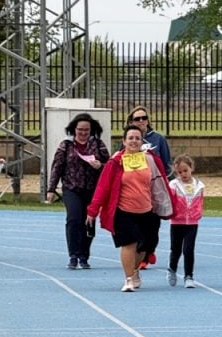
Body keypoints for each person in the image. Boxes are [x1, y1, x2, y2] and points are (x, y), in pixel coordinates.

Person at [87, 124, 172, 292]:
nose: (134, 141)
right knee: (129, 243)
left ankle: (134, 271)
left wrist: (166, 205)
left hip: (147, 210)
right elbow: (103, 187)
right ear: (124, 141)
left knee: (146, 246)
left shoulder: (150, 159)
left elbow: (160, 182)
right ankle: (128, 279)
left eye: (137, 138)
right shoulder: (116, 161)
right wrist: (93, 210)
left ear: (142, 142)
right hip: (123, 210)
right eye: (130, 138)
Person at [45, 112, 109, 269]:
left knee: (89, 221)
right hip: (71, 188)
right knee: (74, 219)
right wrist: (51, 189)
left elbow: (110, 166)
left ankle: (84, 255)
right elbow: (57, 167)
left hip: (93, 190)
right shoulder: (66, 145)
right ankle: (73, 254)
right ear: (74, 129)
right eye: (80, 129)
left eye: (86, 130)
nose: (83, 133)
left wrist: (100, 165)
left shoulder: (98, 145)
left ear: (91, 130)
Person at [126, 108, 170, 270]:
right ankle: (140, 253)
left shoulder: (158, 139)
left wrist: (167, 185)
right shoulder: (129, 139)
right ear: (131, 122)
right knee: (136, 226)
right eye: (137, 119)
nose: (141, 121)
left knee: (153, 225)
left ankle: (149, 249)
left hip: (153, 188)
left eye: (144, 118)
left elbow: (166, 164)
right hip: (135, 190)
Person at [166, 154, 204, 288]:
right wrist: (173, 213)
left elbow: (200, 201)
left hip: (192, 223)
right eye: (180, 172)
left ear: (191, 168)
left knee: (189, 249)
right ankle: (172, 269)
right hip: (177, 222)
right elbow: (169, 200)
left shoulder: (199, 185)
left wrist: (198, 213)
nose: (183, 174)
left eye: (185, 170)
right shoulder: (174, 185)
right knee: (176, 250)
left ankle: (189, 276)